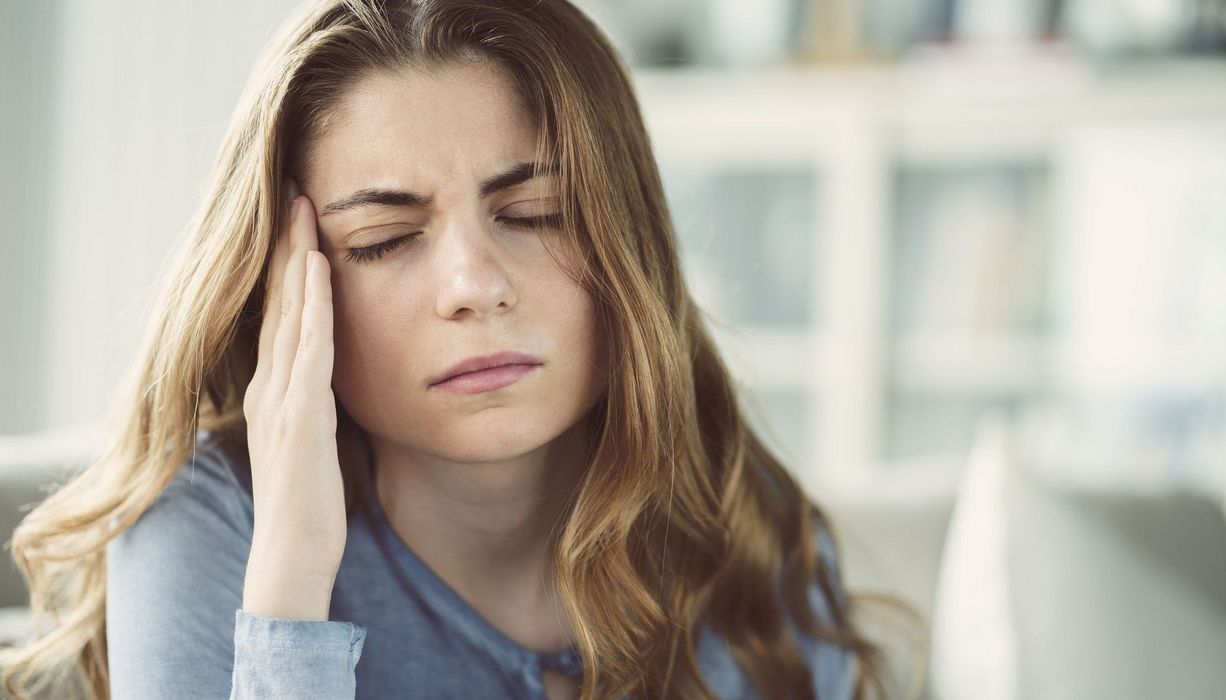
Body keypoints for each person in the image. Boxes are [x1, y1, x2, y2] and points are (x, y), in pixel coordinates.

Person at [0, 1, 895, 698]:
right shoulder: (205, 528)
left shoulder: (740, 515)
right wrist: (290, 585)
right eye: (386, 238)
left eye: (536, 214)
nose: (474, 283)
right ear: (283, 286)